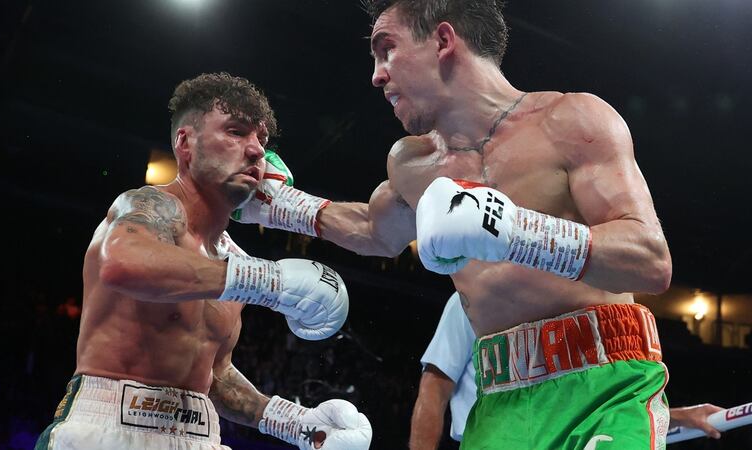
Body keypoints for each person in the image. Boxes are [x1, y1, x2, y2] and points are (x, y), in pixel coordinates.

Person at [233, 0, 675, 447]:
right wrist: (277, 204)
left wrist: (514, 232)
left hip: (605, 385)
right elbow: (373, 229)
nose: (377, 74)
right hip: (498, 400)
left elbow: (649, 260)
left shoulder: (571, 121)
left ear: (443, 40)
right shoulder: (413, 163)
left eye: (386, 49)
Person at [34, 72, 372, 450]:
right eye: (235, 132)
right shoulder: (147, 206)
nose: (257, 150)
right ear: (185, 143)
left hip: (201, 437)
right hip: (110, 428)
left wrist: (293, 422)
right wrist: (269, 280)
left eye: (260, 139)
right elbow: (123, 263)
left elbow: (216, 376)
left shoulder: (234, 266)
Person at [409, 294, 722, 449]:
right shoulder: (473, 298)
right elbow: (434, 387)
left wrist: (677, 415)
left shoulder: (570, 299)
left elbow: (572, 393)